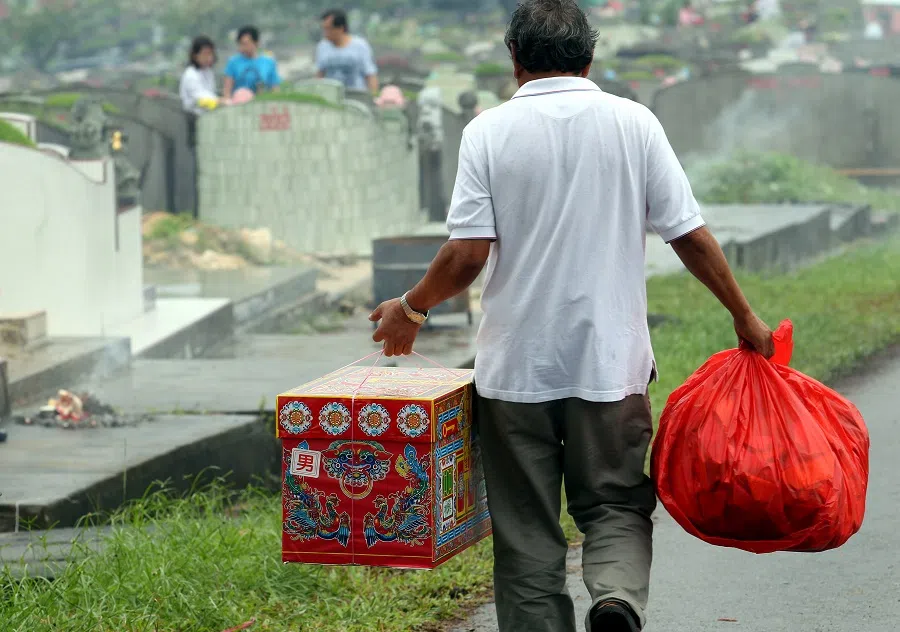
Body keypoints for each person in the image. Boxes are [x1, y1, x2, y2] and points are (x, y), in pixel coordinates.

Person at [368, 1, 775, 631]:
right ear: (589, 57)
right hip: (610, 366)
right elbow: (687, 235)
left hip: (515, 373)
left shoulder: (489, 132)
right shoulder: (635, 124)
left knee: (527, 527)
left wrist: (409, 308)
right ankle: (614, 598)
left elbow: (465, 254)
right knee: (614, 503)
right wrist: (744, 316)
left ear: (515, 60)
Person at [315, 9, 379, 95]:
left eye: (328, 29)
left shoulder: (360, 46)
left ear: (341, 28)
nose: (325, 33)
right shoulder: (322, 46)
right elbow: (320, 75)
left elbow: (370, 75)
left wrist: (373, 96)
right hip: (331, 98)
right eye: (324, 29)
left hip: (356, 96)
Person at [223, 25, 281, 99]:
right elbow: (227, 91)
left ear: (256, 43)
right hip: (239, 105)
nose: (242, 48)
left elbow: (275, 89)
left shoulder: (268, 62)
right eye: (240, 44)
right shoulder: (233, 62)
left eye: (246, 44)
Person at [179, 36, 220, 116]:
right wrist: (222, 101)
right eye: (205, 54)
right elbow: (202, 98)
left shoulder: (208, 72)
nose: (209, 57)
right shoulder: (190, 74)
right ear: (195, 55)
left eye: (210, 53)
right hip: (192, 116)